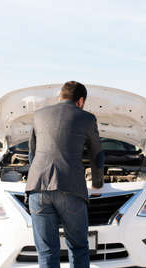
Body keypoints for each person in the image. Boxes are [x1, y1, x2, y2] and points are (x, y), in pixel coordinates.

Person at [26, 81, 105, 268]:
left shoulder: (39, 115)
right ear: (80, 101)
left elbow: (32, 152)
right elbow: (97, 154)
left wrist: (36, 177)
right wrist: (97, 183)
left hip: (37, 188)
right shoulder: (87, 118)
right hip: (70, 189)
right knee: (78, 248)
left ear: (59, 97)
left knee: (46, 252)